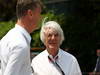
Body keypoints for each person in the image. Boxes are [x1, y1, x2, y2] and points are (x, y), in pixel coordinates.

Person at [0, 0, 42, 75]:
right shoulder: (21, 45)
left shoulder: (7, 37)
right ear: (30, 14)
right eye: (39, 13)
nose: (40, 17)